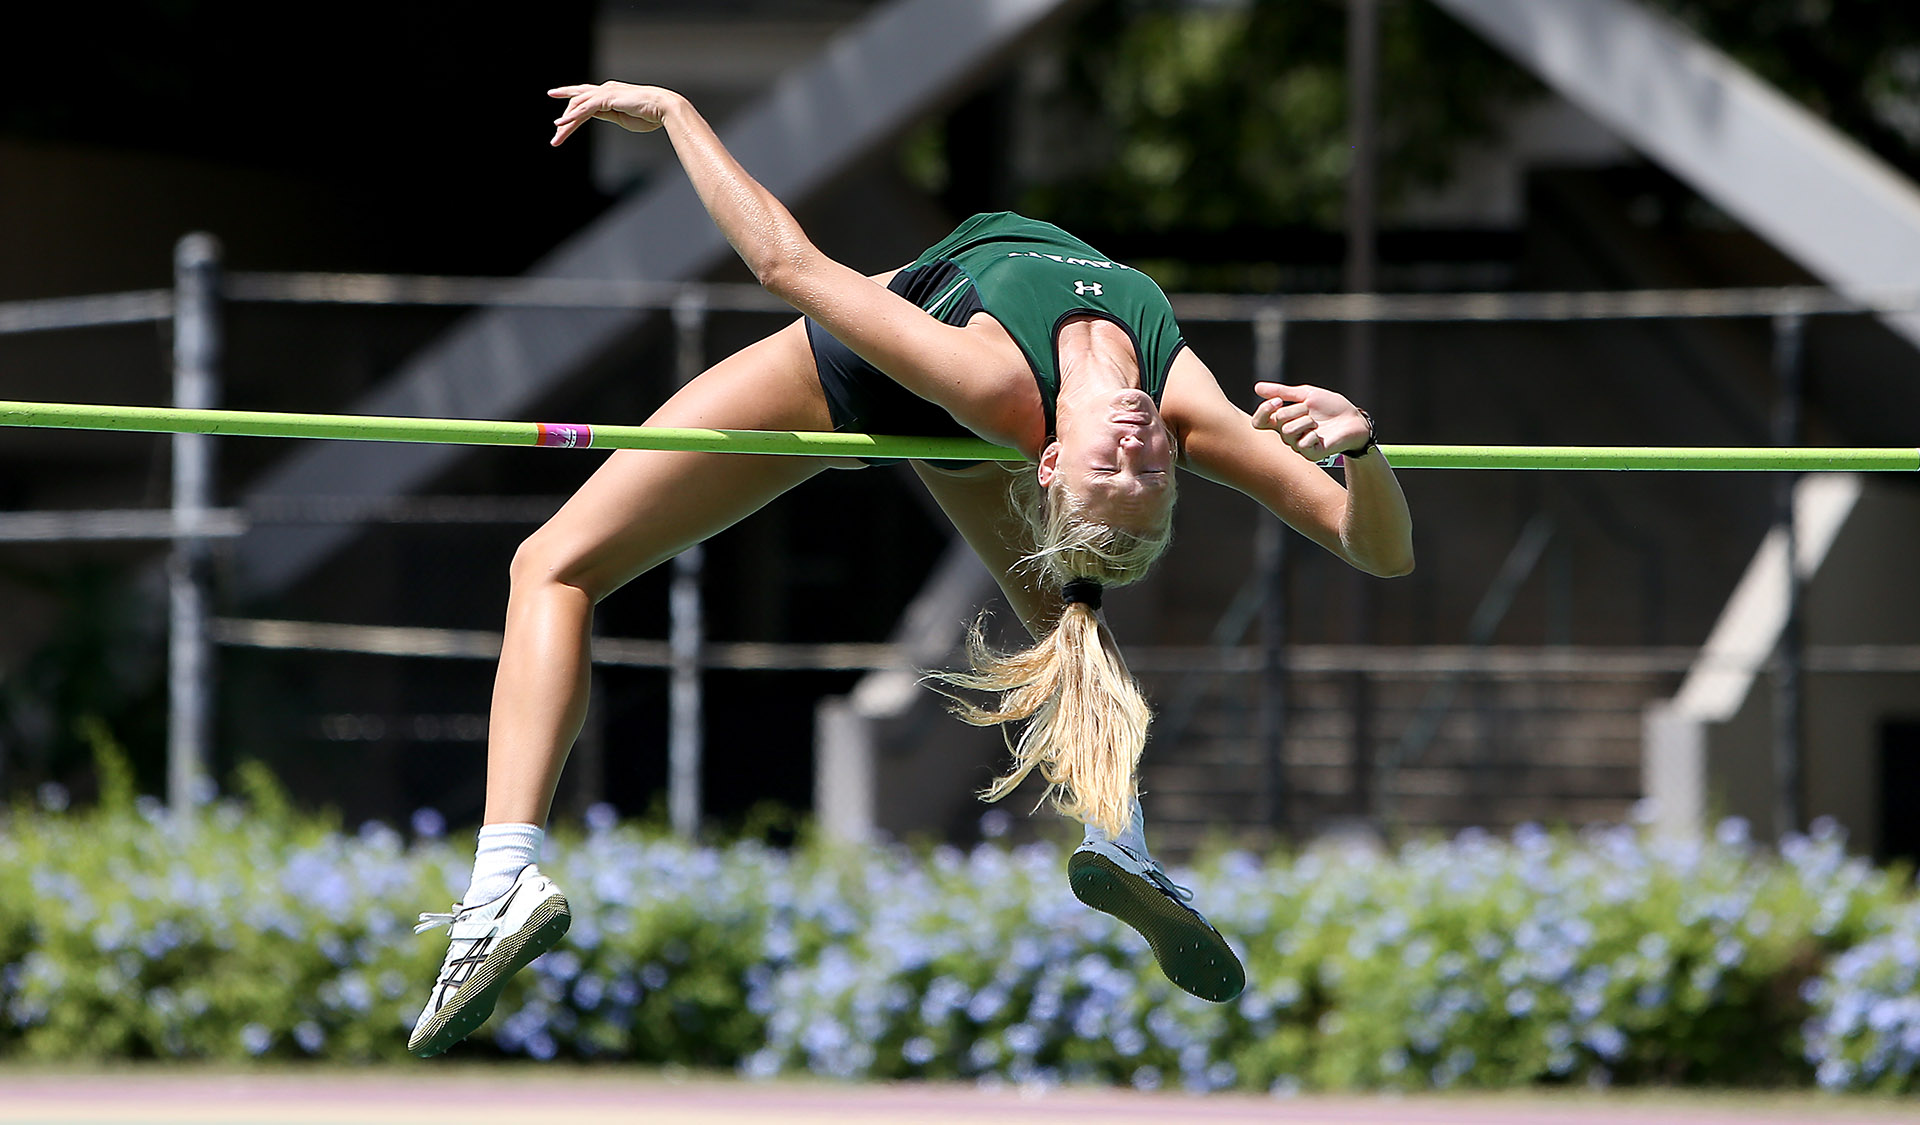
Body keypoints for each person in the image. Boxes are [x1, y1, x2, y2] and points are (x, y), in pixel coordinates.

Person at [407, 81, 1415, 1057]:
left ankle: (500, 882)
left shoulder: (995, 382)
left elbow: (785, 265)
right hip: (961, 411)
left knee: (551, 566)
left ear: (1050, 462)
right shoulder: (1180, 404)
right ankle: (1124, 838)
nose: (1139, 445)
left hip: (856, 382)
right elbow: (1376, 544)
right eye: (1150, 472)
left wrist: (676, 114)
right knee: (1067, 615)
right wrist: (1358, 450)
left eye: (1116, 466)